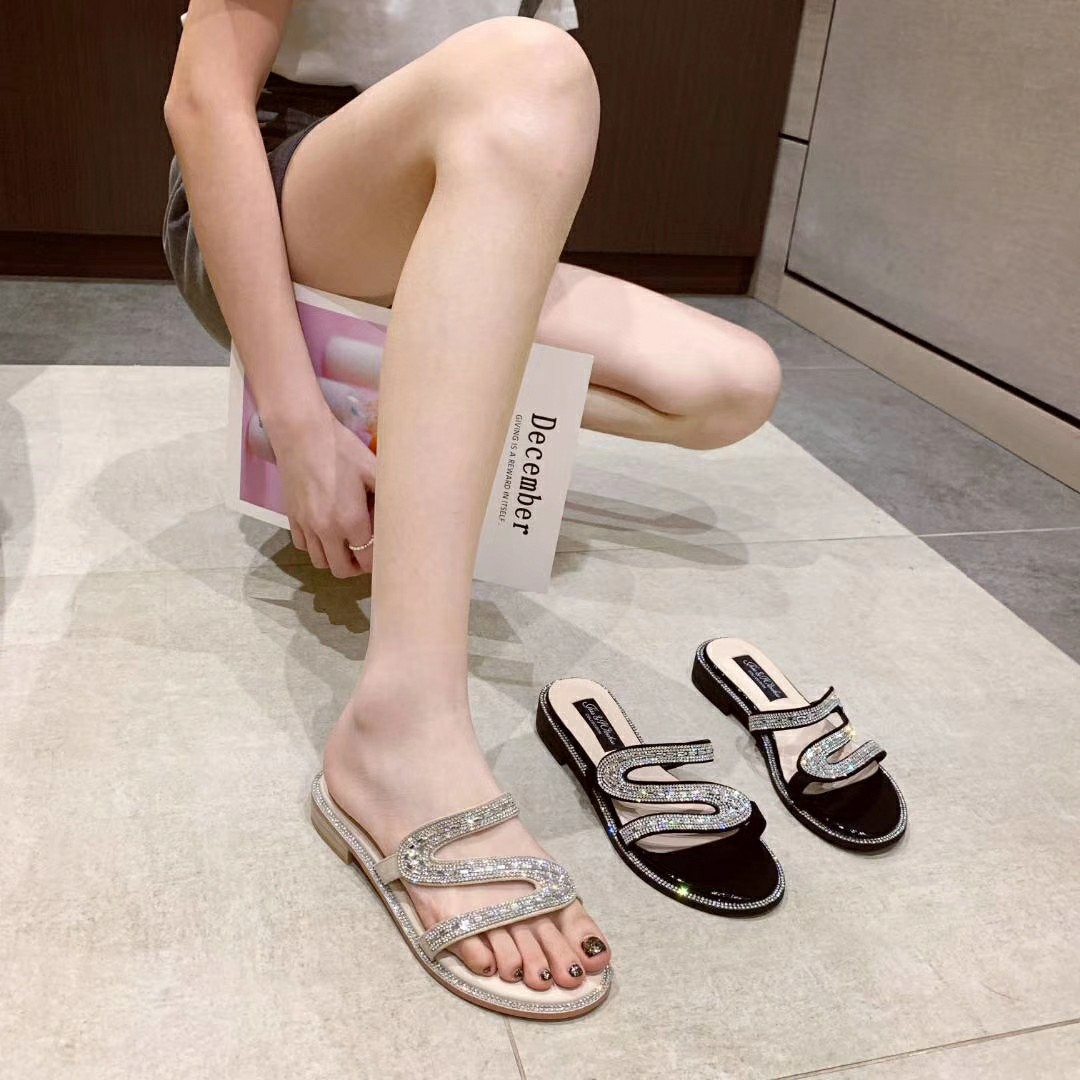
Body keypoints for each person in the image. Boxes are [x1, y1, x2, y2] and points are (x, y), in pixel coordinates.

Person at [163, 0, 780, 1003]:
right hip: (286, 190)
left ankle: (426, 371)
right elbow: (203, 100)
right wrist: (294, 417)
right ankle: (402, 720)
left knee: (731, 386)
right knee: (529, 65)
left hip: (444, 194)